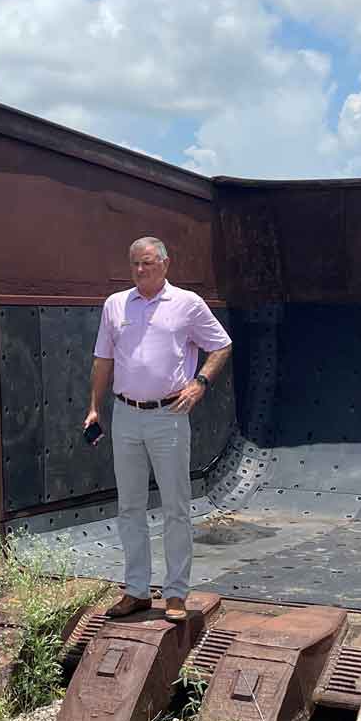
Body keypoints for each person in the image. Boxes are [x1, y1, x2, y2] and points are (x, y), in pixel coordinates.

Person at [84, 237, 232, 622]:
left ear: (165, 264)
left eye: (147, 263)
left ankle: (176, 593)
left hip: (169, 415)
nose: (140, 270)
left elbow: (221, 345)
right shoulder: (115, 304)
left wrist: (200, 383)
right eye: (135, 263)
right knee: (130, 506)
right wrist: (94, 408)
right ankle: (136, 590)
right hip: (126, 414)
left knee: (175, 507)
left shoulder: (187, 303)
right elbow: (103, 359)